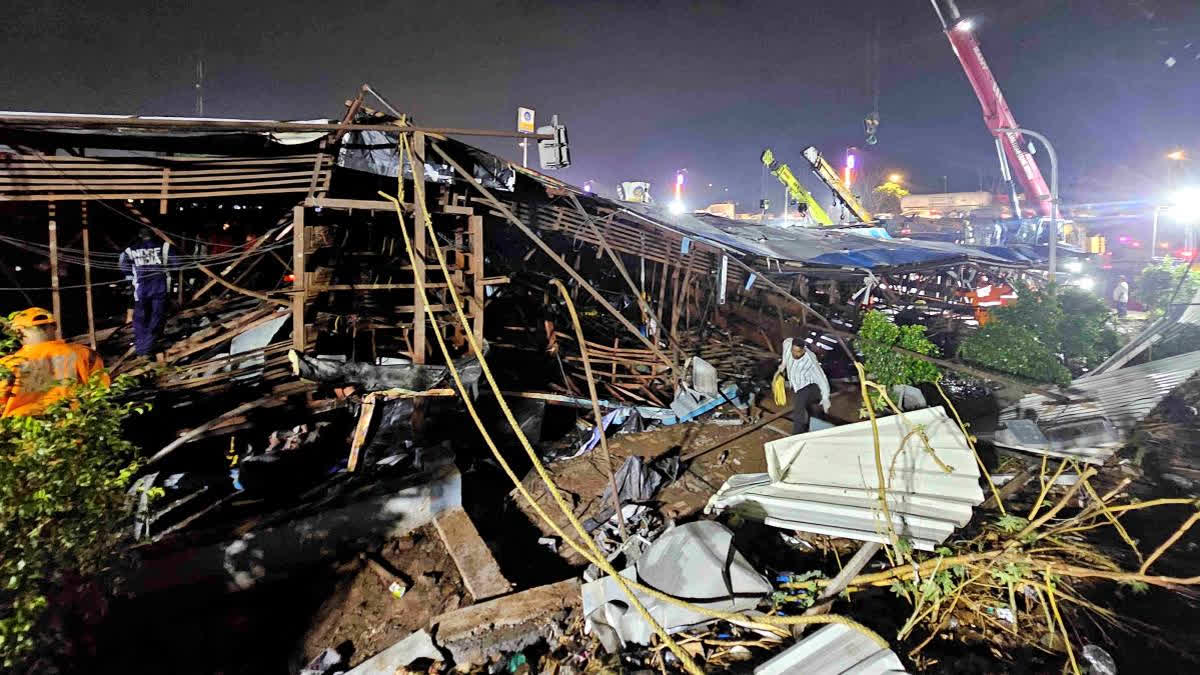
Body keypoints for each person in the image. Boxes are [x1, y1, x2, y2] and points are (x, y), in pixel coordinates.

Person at [0, 308, 108, 418]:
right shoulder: (85, 354)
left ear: (18, 333)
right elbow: (101, 394)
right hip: (74, 425)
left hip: (20, 430)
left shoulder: (7, 365)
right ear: (54, 327)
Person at [119, 228, 171, 356]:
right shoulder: (164, 246)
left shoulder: (131, 249)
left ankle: (142, 348)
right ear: (154, 235)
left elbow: (122, 264)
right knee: (157, 317)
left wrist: (130, 276)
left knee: (141, 319)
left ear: (139, 235)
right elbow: (177, 262)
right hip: (160, 287)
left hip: (141, 289)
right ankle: (147, 347)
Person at [777, 336, 831, 435]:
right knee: (808, 408)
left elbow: (821, 378)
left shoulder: (810, 359)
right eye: (793, 350)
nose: (795, 354)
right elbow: (786, 346)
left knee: (799, 411)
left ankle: (796, 435)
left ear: (803, 350)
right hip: (796, 386)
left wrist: (826, 397)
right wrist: (783, 364)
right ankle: (817, 424)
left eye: (798, 352)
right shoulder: (788, 344)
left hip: (808, 386)